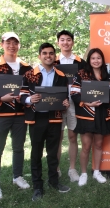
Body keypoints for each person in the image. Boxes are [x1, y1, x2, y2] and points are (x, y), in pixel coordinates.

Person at [0, 32, 32, 200]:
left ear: (19, 45)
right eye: (8, 42)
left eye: (15, 42)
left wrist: (25, 97)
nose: (12, 46)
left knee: (18, 148)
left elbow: (30, 89)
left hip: (20, 114)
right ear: (2, 44)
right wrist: (0, 99)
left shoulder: (26, 67)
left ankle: (18, 176)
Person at [20, 43, 71, 201]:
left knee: (53, 152)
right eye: (45, 53)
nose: (48, 56)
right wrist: (30, 99)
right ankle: (37, 186)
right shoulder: (29, 74)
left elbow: (64, 97)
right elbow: (21, 95)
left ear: (55, 56)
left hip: (54, 117)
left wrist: (65, 103)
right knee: (36, 153)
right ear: (39, 56)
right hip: (37, 118)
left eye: (51, 53)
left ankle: (54, 181)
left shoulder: (61, 76)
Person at [70, 48, 110, 186]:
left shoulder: (107, 74)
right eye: (93, 58)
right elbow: (74, 93)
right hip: (86, 114)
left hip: (101, 114)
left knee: (99, 145)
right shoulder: (81, 74)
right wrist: (87, 102)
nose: (96, 61)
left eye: (98, 58)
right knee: (86, 146)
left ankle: (96, 171)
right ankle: (83, 173)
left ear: (102, 59)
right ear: (89, 60)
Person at [55, 30, 87, 182]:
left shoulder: (80, 62)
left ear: (72, 42)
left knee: (73, 136)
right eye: (62, 40)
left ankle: (72, 169)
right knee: (58, 137)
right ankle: (56, 168)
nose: (65, 42)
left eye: (68, 40)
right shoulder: (53, 61)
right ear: (58, 43)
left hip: (75, 102)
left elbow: (87, 83)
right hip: (57, 102)